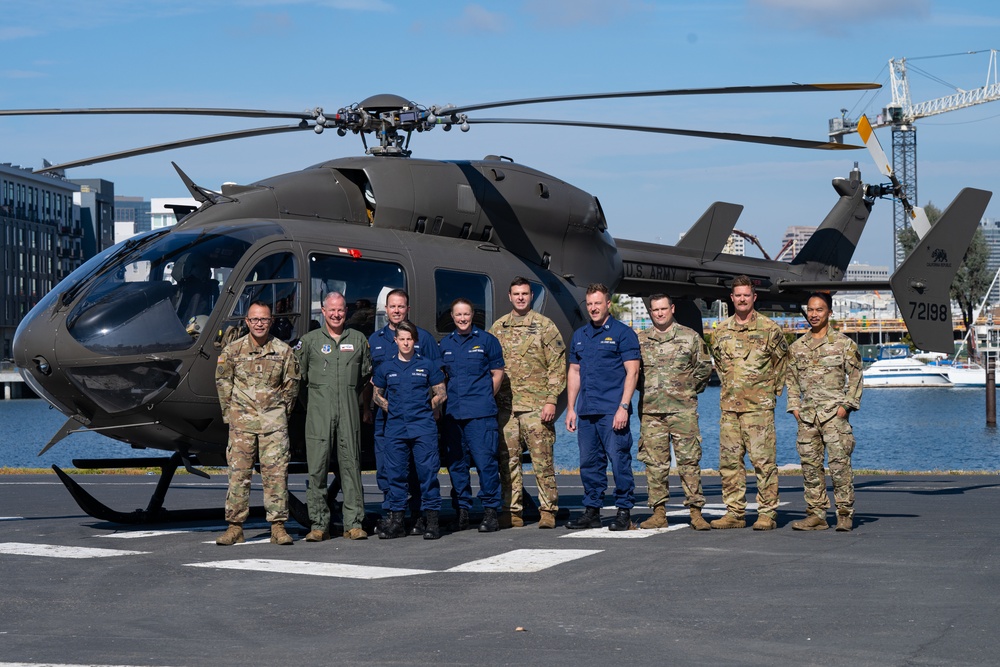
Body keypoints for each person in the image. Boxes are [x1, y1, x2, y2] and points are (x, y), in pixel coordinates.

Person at [214, 301, 300, 546]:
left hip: (273, 424)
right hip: (242, 424)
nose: (259, 324)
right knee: (238, 476)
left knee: (276, 476)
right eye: (254, 319)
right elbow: (223, 384)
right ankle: (234, 527)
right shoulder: (232, 351)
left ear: (270, 321)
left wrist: (278, 412)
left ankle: (278, 526)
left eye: (264, 319)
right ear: (247, 322)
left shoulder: (283, 351)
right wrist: (232, 415)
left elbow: (291, 388)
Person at [709, 275, 788, 531]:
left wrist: (769, 394)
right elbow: (719, 365)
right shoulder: (720, 331)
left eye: (746, 295)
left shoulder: (770, 329)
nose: (742, 299)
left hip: (758, 410)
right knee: (730, 464)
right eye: (737, 295)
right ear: (731, 299)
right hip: (730, 409)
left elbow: (782, 364)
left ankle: (767, 514)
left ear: (754, 297)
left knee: (763, 463)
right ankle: (734, 512)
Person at [296, 291, 373, 541]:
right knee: (317, 468)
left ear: (346, 312)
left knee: (351, 467)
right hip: (319, 413)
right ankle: (319, 524)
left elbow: (364, 377)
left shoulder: (359, 339)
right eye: (332, 310)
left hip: (348, 411)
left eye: (340, 310)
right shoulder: (310, 341)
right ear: (323, 312)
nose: (337, 314)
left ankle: (354, 523)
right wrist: (315, 404)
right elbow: (300, 379)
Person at [489, 277, 566, 529]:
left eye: (524, 293)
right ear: (509, 297)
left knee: (542, 461)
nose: (520, 297)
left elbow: (557, 366)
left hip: (536, 406)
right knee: (507, 462)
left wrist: (551, 400)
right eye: (516, 294)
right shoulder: (498, 328)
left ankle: (548, 510)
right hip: (506, 408)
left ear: (531, 296)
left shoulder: (545, 326)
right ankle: (512, 511)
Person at [564, 283, 641, 531]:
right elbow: (574, 372)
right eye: (590, 304)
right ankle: (592, 511)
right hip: (587, 411)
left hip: (612, 410)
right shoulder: (580, 335)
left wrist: (623, 407)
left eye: (598, 303)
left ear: (608, 303)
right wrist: (571, 408)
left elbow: (633, 372)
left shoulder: (623, 333)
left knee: (619, 461)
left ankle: (623, 511)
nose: (594, 308)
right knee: (589, 463)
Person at [786, 292, 863, 532]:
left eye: (819, 310)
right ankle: (816, 514)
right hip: (807, 418)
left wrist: (846, 406)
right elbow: (791, 380)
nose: (814, 314)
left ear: (829, 312)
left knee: (840, 467)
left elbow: (856, 376)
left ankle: (844, 513)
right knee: (810, 468)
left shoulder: (843, 344)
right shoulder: (797, 347)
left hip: (834, 417)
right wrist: (795, 408)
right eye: (810, 310)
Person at [368, 288, 442, 535]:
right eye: (392, 306)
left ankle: (425, 518)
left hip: (421, 423)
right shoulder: (376, 340)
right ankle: (394, 517)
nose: (396, 310)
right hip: (391, 423)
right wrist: (389, 408)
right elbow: (373, 387)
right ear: (386, 309)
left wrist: (429, 408)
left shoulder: (425, 343)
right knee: (391, 471)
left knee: (425, 471)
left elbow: (440, 384)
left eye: (401, 306)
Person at [636, 294, 713, 531]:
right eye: (655, 310)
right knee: (654, 464)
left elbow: (704, 369)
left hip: (683, 412)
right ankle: (658, 512)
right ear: (650, 312)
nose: (659, 313)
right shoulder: (640, 339)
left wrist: (687, 391)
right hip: (651, 412)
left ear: (672, 309)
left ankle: (695, 512)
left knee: (689, 462)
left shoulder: (689, 337)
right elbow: (633, 373)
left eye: (663, 309)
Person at [439, 298, 506, 532]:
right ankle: (462, 512)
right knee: (457, 464)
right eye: (458, 315)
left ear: (472, 314)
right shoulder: (445, 344)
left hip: (480, 414)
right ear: (452, 316)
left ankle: (490, 512)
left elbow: (497, 374)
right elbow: (442, 379)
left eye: (466, 314)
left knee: (485, 463)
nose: (462, 318)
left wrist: (485, 397)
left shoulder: (487, 341)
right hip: (453, 415)